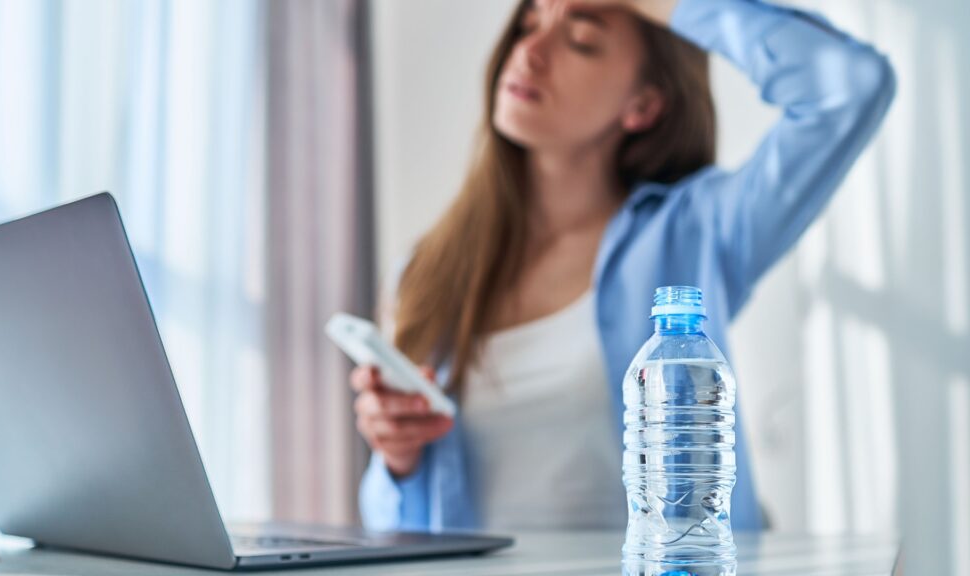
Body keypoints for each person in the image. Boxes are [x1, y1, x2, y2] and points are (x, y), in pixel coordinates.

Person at [351, 0, 896, 532]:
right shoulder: (427, 271)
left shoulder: (696, 234)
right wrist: (397, 459)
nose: (531, 53)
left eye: (581, 42)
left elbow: (848, 87)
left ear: (644, 105)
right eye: (527, 23)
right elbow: (391, 524)